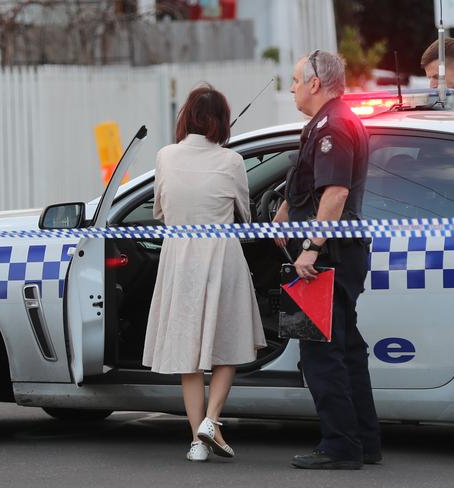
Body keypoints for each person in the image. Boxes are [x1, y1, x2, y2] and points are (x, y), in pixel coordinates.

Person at [142, 83, 267, 463]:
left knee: (188, 352)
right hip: (222, 256)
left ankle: (197, 443)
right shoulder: (231, 161)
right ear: (221, 121)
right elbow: (245, 214)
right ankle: (212, 420)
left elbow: (158, 213)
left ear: (187, 118)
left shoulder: (165, 156)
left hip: (179, 259)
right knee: (225, 345)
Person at [272, 50, 382, 470]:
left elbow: (334, 193)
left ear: (316, 83)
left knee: (320, 352)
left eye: (297, 79)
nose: (293, 87)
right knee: (347, 348)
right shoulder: (326, 122)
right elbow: (309, 185)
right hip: (338, 252)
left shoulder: (333, 125)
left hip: (328, 256)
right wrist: (284, 211)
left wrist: (311, 247)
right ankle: (364, 441)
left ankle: (339, 445)